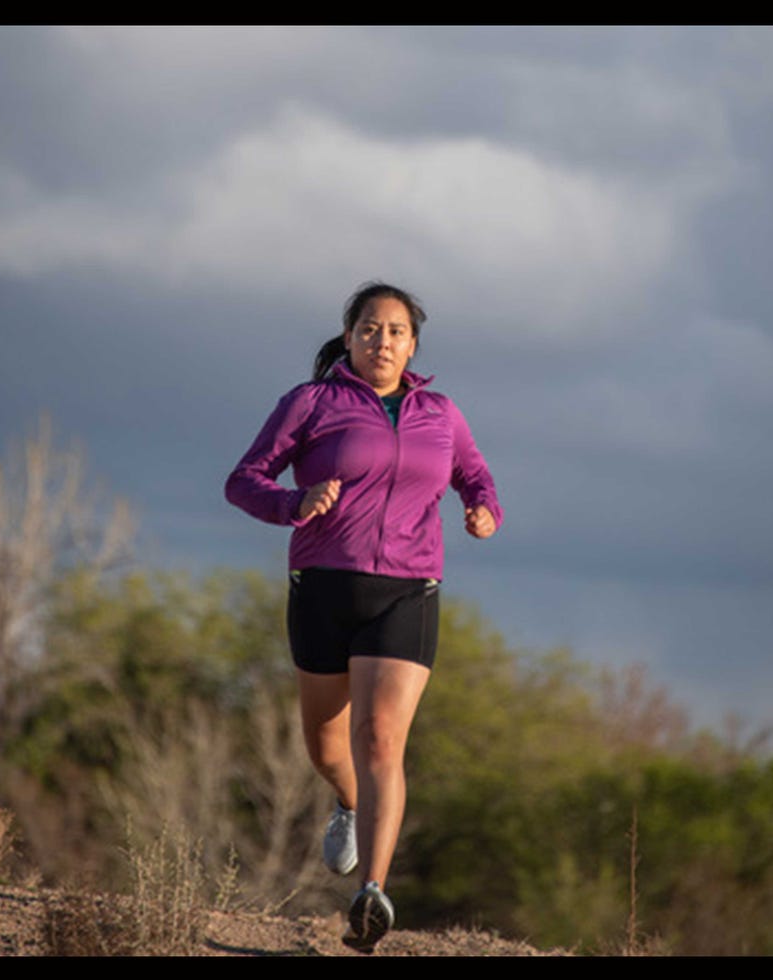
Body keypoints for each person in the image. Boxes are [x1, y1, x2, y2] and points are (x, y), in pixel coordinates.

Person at [224, 281, 502, 953]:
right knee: (327, 747)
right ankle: (348, 802)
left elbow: (476, 475)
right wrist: (295, 503)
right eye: (371, 329)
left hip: (408, 590)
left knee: (380, 740)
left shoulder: (441, 412)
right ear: (348, 338)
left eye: (398, 331)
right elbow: (244, 480)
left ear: (414, 344)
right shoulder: (311, 403)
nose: (384, 341)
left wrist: (483, 510)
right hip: (323, 586)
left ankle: (371, 894)